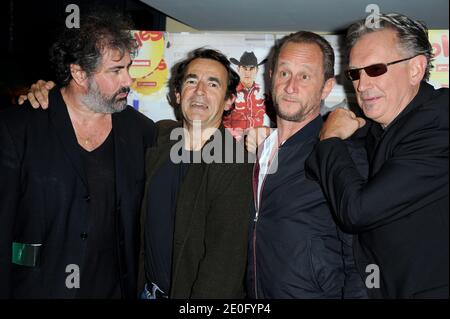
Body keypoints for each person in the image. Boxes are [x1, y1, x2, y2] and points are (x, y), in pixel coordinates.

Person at [0, 13, 156, 298]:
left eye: (128, 68)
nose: (128, 80)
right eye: (115, 70)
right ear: (79, 73)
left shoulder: (141, 132)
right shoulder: (19, 127)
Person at [305, 13, 449, 298]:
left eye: (375, 69)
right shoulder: (377, 127)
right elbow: (313, 167)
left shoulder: (439, 121)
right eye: (355, 73)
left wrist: (331, 138)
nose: (361, 84)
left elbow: (358, 211)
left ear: (416, 69)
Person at [247, 31, 367, 298]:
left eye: (304, 76)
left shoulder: (340, 149)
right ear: (270, 78)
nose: (291, 87)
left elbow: (360, 253)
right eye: (284, 73)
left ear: (326, 87)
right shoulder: (259, 149)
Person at [140, 48, 253, 298]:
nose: (200, 91)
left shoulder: (236, 164)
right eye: (192, 81)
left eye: (213, 84)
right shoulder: (158, 137)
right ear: (178, 95)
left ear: (228, 101)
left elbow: (223, 268)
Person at [224, 51, 270, 141]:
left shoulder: (264, 93)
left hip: (258, 144)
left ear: (257, 70)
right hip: (233, 143)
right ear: (238, 69)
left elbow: (278, 119)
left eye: (251, 69)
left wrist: (267, 133)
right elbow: (223, 120)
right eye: (244, 68)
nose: (247, 72)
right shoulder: (230, 93)